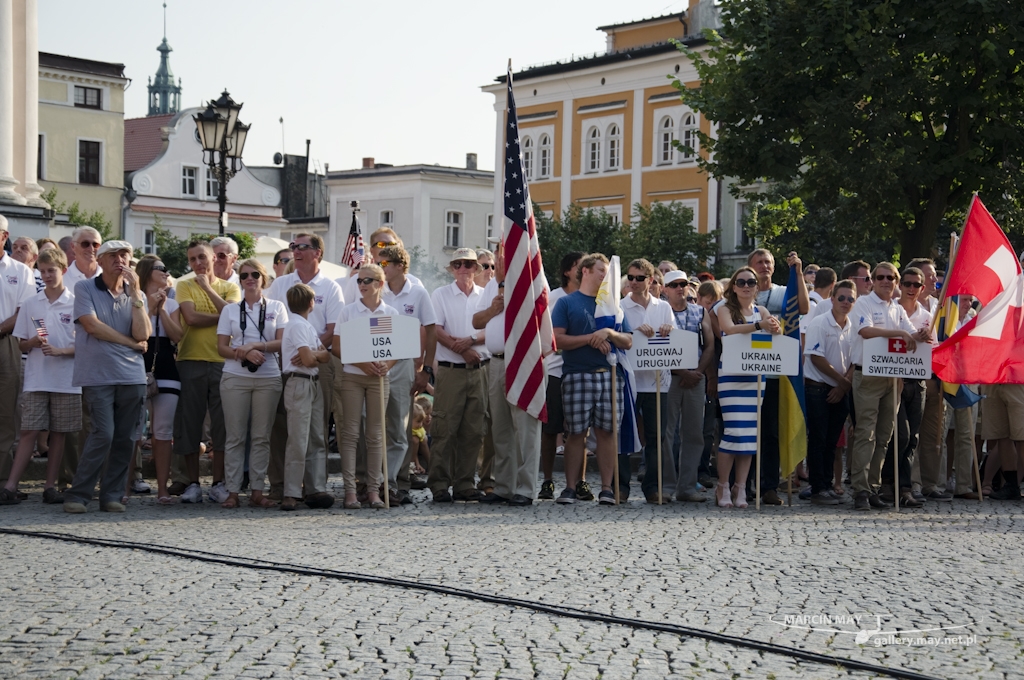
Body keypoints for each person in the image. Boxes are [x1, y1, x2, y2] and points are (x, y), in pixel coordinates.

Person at [63, 241, 150, 513]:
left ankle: (111, 495)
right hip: (98, 374)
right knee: (103, 434)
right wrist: (129, 343)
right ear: (100, 261)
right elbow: (91, 326)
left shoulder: (138, 295)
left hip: (131, 375)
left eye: (125, 254)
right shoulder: (84, 287)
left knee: (125, 438)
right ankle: (78, 495)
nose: (120, 260)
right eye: (112, 255)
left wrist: (136, 292)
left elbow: (143, 334)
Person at [265, 233, 344, 500]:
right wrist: (301, 349)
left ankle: (315, 488)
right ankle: (281, 486)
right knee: (282, 429)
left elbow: (333, 329)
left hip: (316, 365)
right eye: (293, 247)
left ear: (317, 253)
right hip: (288, 364)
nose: (296, 251)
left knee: (316, 430)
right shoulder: (281, 284)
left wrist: (309, 349)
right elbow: (273, 324)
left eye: (302, 247)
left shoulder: (331, 287)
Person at [552, 253, 633, 505]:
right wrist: (589, 338)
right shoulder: (567, 303)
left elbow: (628, 341)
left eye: (607, 272)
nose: (605, 276)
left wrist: (608, 332)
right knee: (576, 433)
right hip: (577, 375)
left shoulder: (613, 305)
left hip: (610, 376)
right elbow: (557, 340)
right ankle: (570, 487)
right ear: (585, 271)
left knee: (608, 432)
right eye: (601, 270)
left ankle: (607, 488)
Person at [848, 262, 929, 511]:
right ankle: (860, 490)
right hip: (868, 376)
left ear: (895, 282)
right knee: (866, 434)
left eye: (890, 277)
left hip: (892, 378)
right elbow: (865, 330)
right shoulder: (864, 302)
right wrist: (901, 335)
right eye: (880, 277)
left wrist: (922, 335)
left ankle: (873, 487)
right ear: (872, 280)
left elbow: (911, 334)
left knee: (884, 437)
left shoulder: (896, 308)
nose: (885, 281)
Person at [1, 249, 78, 505]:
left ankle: (49, 487)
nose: (46, 276)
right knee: (28, 431)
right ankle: (11, 486)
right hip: (37, 378)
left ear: (63, 270)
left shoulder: (76, 302)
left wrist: (61, 351)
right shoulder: (32, 303)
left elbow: (84, 346)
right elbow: (20, 345)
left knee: (58, 433)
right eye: (43, 271)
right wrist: (33, 341)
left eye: (51, 271)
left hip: (66, 380)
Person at [471, 244, 543, 506]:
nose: (500, 261)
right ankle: (503, 486)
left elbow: (529, 315)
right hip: (496, 362)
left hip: (523, 360)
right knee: (500, 427)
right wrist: (493, 307)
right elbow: (477, 321)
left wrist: (503, 286)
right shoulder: (491, 285)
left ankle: (525, 489)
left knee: (525, 428)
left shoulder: (530, 280)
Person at [172, 241, 240, 503]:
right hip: (190, 359)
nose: (197, 263)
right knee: (190, 423)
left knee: (222, 425)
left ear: (213, 258)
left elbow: (232, 316)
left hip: (222, 361)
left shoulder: (230, 287)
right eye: (192, 259)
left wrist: (207, 288)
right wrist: (224, 316)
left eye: (202, 257)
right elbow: (191, 318)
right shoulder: (183, 285)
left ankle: (219, 482)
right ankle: (192, 482)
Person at [217, 258, 288, 509]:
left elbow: (282, 343)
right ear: (240, 279)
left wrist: (255, 346)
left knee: (261, 437)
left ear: (263, 279)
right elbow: (221, 348)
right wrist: (243, 353)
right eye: (245, 274)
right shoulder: (230, 310)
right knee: (235, 436)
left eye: (255, 274)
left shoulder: (277, 307)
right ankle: (233, 491)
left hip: (268, 376)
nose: (250, 278)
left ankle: (258, 490)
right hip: (236, 377)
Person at [746, 248, 809, 505]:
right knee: (746, 430)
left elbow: (803, 307)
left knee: (771, 432)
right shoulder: (741, 289)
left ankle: (769, 486)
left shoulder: (784, 292)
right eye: (759, 262)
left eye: (768, 262)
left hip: (774, 372)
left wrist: (799, 273)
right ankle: (744, 485)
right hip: (747, 370)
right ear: (750, 265)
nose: (764, 266)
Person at [715, 267, 781, 508]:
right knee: (733, 432)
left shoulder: (761, 311)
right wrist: (758, 326)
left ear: (756, 286)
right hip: (732, 377)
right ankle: (723, 484)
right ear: (733, 286)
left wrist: (774, 328)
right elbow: (729, 330)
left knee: (750, 436)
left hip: (755, 377)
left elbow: (774, 336)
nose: (746, 286)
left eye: (751, 282)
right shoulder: (724, 309)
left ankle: (740, 487)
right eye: (741, 282)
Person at [427, 248, 489, 503]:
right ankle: (440, 484)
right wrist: (462, 350)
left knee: (474, 430)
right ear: (451, 268)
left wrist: (471, 340)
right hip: (452, 370)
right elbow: (436, 330)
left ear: (476, 268)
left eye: (468, 264)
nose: (462, 268)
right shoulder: (440, 294)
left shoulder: (486, 296)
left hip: (479, 369)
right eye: (457, 264)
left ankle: (465, 482)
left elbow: (493, 328)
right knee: (444, 429)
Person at [334, 264, 397, 509]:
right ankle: (350, 491)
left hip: (379, 378)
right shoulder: (348, 312)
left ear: (380, 284)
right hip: (352, 376)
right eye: (360, 281)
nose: (362, 285)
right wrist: (362, 364)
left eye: (367, 280)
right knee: (350, 434)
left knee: (376, 434)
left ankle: (373, 490)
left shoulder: (390, 312)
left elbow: (395, 348)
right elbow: (337, 348)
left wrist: (386, 365)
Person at [377, 245, 436, 503]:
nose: (382, 268)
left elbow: (431, 330)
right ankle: (378, 482)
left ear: (400, 265)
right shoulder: (379, 291)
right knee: (377, 424)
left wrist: (426, 369)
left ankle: (398, 484)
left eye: (385, 264)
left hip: (403, 363)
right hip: (377, 363)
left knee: (400, 426)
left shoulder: (419, 292)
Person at [621, 258, 676, 503]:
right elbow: (617, 338)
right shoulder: (619, 307)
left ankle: (653, 487)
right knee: (623, 435)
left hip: (657, 382)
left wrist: (668, 330)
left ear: (651, 280)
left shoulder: (663, 307)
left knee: (656, 437)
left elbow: (675, 340)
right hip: (628, 379)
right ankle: (620, 487)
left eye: (639, 278)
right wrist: (633, 334)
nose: (633, 282)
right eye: (630, 277)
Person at [878, 267, 932, 508]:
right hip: (893, 381)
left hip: (917, 381)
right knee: (899, 435)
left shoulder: (929, 314)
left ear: (922, 288)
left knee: (912, 438)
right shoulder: (893, 310)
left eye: (916, 285)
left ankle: (906, 486)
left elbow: (931, 346)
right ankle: (888, 482)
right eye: (907, 283)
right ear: (901, 285)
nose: (911, 288)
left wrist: (925, 336)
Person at [133, 256, 183, 504]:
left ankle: (163, 488)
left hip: (165, 363)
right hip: (136, 362)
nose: (166, 272)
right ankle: (126, 484)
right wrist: (150, 308)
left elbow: (178, 336)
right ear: (146, 272)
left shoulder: (172, 304)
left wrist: (162, 310)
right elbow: (136, 332)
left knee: (163, 430)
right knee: (133, 429)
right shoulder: (134, 299)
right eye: (161, 268)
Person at [662, 272, 716, 502]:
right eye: (673, 285)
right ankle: (665, 486)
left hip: (696, 376)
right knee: (666, 433)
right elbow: (656, 348)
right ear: (664, 289)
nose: (679, 288)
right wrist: (681, 372)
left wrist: (698, 373)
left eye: (683, 284)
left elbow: (710, 344)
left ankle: (686, 486)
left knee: (694, 434)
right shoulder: (659, 311)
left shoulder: (700, 311)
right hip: (669, 377)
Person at [802, 280, 856, 505]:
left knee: (833, 442)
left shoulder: (853, 326)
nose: (845, 302)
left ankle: (826, 484)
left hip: (840, 389)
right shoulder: (819, 323)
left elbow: (856, 359)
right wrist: (842, 382)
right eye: (841, 298)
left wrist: (843, 385)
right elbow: (816, 357)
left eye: (850, 299)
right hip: (818, 388)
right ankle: (817, 488)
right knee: (818, 439)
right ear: (832, 299)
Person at [280, 283, 332, 511]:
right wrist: (315, 355)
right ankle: (292, 491)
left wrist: (315, 355)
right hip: (300, 380)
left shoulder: (304, 326)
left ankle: (314, 488)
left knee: (315, 437)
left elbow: (323, 356)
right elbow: (313, 359)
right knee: (299, 439)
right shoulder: (299, 326)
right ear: (311, 303)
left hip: (310, 382)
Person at [540, 251, 582, 500]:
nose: (583, 270)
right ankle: (547, 480)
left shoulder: (592, 298)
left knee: (579, 430)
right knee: (551, 428)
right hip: (555, 369)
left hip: (579, 369)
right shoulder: (553, 297)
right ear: (567, 271)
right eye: (579, 266)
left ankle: (580, 481)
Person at [0, 218, 35, 484]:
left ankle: (2, 480)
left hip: (6, 342)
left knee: (5, 412)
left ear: (4, 236)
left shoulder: (20, 271)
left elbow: (24, 311)